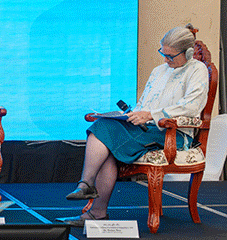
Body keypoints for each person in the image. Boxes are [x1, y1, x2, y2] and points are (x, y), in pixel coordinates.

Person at [62, 25, 210, 226]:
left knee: (106, 137)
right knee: (103, 126)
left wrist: (150, 115)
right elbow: (144, 104)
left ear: (189, 53)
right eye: (163, 54)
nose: (165, 60)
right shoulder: (159, 71)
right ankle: (91, 197)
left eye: (170, 56)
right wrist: (132, 115)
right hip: (146, 128)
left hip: (171, 132)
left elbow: (191, 107)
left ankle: (91, 200)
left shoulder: (197, 70)